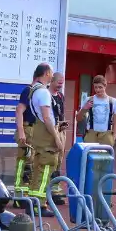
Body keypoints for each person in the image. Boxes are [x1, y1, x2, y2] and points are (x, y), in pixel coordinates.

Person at [13, 63, 61, 216]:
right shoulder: (35, 91)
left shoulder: (34, 91)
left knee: (35, 166)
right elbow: (21, 111)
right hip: (30, 130)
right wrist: (21, 131)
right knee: (30, 163)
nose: (52, 76)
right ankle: (26, 199)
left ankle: (30, 200)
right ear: (46, 73)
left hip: (35, 130)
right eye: (51, 73)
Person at [78, 75, 116, 147]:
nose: (97, 90)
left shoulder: (113, 101)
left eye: (100, 87)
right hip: (91, 134)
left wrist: (113, 137)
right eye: (96, 87)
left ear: (105, 86)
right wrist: (84, 108)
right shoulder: (89, 100)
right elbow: (78, 118)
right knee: (90, 157)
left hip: (106, 134)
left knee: (105, 158)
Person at [49, 72, 69, 206]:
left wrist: (63, 123)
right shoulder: (46, 95)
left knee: (59, 161)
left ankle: (55, 192)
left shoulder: (60, 96)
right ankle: (48, 192)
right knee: (50, 159)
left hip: (60, 129)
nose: (60, 86)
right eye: (59, 83)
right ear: (52, 81)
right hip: (50, 130)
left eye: (62, 83)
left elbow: (61, 113)